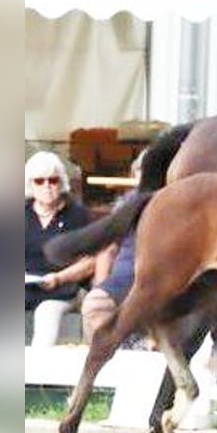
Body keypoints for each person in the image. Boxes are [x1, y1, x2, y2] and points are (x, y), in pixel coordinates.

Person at [80, 150, 156, 350]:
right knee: (94, 305)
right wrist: (100, 283)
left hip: (159, 281)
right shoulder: (126, 204)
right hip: (122, 279)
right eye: (141, 170)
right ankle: (116, 355)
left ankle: (138, 349)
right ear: (134, 174)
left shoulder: (177, 204)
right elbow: (108, 249)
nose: (146, 175)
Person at [25, 150, 95, 346]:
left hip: (63, 289)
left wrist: (59, 278)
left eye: (53, 180)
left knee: (46, 313)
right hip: (25, 286)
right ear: (30, 184)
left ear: (61, 183)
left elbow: (89, 262)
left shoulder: (77, 215)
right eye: (39, 181)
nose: (47, 186)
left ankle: (35, 373)